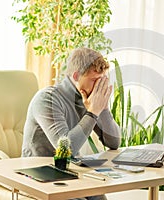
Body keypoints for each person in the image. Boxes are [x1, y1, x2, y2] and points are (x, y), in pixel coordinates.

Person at [22, 47, 121, 200]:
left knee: (100, 197)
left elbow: (114, 142)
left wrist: (104, 108)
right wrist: (93, 112)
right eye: (95, 80)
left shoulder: (87, 98)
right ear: (76, 76)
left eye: (101, 81)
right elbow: (67, 150)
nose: (98, 87)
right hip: (39, 174)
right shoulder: (47, 99)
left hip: (70, 172)